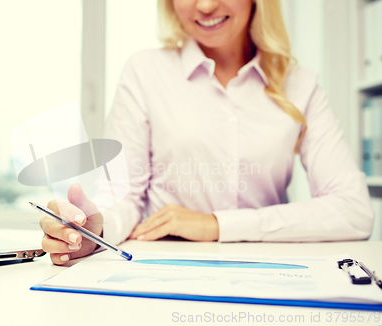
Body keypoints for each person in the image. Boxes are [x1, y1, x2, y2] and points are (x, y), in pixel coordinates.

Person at [39, 0, 374, 265]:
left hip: (268, 267)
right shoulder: (145, 71)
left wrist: (216, 224)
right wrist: (95, 229)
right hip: (163, 266)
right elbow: (123, 198)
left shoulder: (300, 85)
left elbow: (354, 211)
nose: (205, 5)